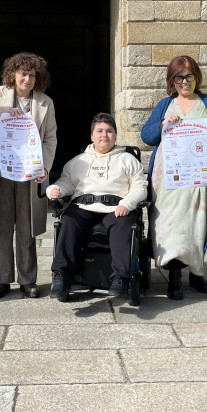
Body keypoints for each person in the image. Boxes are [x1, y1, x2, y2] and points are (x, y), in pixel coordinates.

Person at [141, 56, 207, 300]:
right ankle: (174, 277)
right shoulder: (165, 105)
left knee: (195, 225)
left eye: (189, 76)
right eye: (179, 77)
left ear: (196, 77)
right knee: (171, 227)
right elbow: (147, 136)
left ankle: (196, 272)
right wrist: (162, 124)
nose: (184, 82)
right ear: (172, 80)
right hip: (169, 179)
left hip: (199, 178)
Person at [0, 52, 57, 299]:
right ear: (13, 74)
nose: (27, 79)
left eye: (32, 75)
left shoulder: (45, 102)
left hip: (30, 171)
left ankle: (28, 280)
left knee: (27, 225)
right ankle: (1, 279)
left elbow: (50, 137)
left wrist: (45, 167)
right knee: (2, 225)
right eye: (23, 73)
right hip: (1, 170)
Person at [47, 113, 147, 302]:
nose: (104, 135)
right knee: (68, 220)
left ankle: (120, 277)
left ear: (115, 135)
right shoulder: (79, 161)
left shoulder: (127, 159)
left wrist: (127, 203)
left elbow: (140, 187)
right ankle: (62, 276)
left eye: (109, 131)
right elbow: (67, 182)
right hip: (84, 206)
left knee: (124, 223)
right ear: (91, 136)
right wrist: (56, 189)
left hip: (117, 207)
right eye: (99, 131)